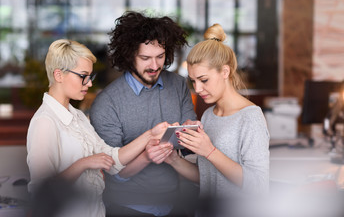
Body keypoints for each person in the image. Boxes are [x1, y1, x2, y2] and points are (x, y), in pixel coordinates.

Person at [26, 39, 171, 217]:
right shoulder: (45, 122)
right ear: (59, 75)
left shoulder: (78, 117)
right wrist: (83, 164)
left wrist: (150, 135)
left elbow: (111, 159)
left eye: (90, 77)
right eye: (83, 76)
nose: (89, 83)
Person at [89, 11, 199, 216]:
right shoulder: (107, 103)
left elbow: (188, 149)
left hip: (176, 202)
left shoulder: (177, 85)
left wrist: (193, 133)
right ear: (130, 55)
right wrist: (147, 156)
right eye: (145, 58)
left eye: (160, 56)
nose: (155, 66)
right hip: (127, 207)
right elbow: (114, 172)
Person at [164, 23, 270, 215]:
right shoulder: (208, 115)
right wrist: (172, 159)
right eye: (193, 81)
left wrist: (209, 151)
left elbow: (258, 186)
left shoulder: (251, 117)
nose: (197, 89)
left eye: (204, 80)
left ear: (225, 72)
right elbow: (207, 178)